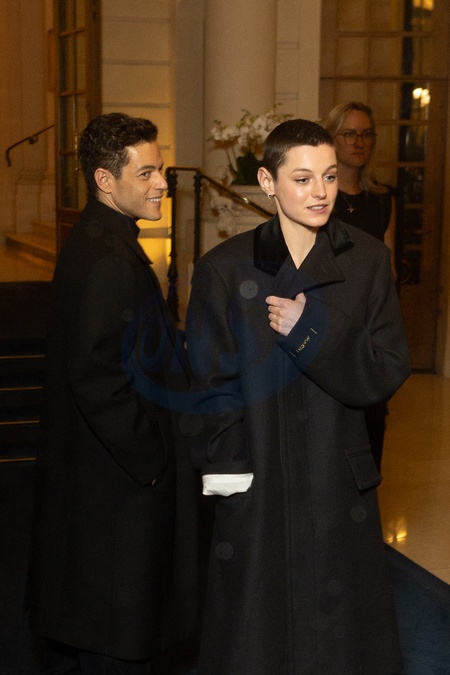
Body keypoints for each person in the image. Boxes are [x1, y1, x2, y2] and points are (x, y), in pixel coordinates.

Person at [186, 118, 410, 674]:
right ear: (268, 182)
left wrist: (311, 334)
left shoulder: (367, 260)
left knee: (338, 642)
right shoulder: (223, 269)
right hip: (258, 482)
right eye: (303, 179)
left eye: (329, 177)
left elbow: (387, 370)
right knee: (257, 636)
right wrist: (231, 487)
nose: (320, 192)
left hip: (337, 481)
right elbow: (211, 391)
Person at [27, 112, 197, 674]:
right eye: (146, 173)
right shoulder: (109, 260)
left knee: (93, 632)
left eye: (161, 170)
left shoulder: (98, 240)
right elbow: (97, 378)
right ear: (105, 180)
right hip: (118, 492)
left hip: (99, 485)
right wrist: (154, 461)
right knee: (115, 638)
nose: (161, 183)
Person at [324, 101, 397, 470]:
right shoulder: (318, 197)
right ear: (332, 139)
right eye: (349, 134)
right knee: (329, 434)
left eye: (366, 134)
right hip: (327, 325)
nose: (359, 142)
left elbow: (389, 269)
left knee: (371, 429)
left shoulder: (383, 199)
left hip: (368, 332)